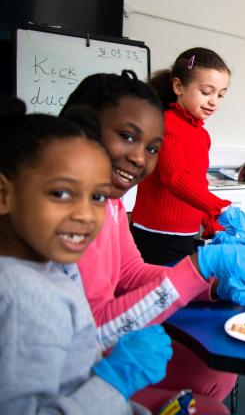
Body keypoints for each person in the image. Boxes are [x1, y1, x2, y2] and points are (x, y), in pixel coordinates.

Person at [62, 71, 245, 413]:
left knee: (217, 371)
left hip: (100, 348)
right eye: (126, 136)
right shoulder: (63, 217)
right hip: (72, 371)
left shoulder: (113, 204)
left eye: (152, 147)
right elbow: (88, 327)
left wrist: (212, 287)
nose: (139, 158)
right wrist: (198, 266)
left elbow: (131, 272)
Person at [0, 98, 172, 414]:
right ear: (4, 195)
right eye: (61, 193)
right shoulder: (23, 296)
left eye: (97, 197)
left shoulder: (52, 269)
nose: (86, 215)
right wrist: (116, 381)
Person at [131, 47, 245, 265]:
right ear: (178, 86)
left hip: (187, 235)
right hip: (156, 236)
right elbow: (174, 178)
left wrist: (210, 219)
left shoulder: (202, 135)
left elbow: (196, 185)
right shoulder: (165, 123)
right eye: (206, 92)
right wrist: (220, 207)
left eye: (220, 95)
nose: (214, 101)